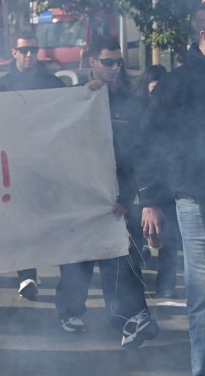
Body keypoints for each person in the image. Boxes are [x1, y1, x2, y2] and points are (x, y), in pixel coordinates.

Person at [136, 0, 205, 376]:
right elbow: (148, 142)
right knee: (203, 294)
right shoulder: (175, 83)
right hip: (193, 200)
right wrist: (150, 200)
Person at [54, 37, 158, 348]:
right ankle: (70, 312)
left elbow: (139, 153)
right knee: (77, 259)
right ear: (92, 62)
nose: (115, 68)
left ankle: (130, 320)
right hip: (78, 197)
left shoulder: (129, 101)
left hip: (116, 199)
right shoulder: (71, 99)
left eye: (119, 62)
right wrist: (83, 100)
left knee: (122, 259)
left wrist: (131, 197)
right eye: (108, 62)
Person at [0, 32, 64, 300]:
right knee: (21, 219)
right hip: (16, 163)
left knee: (48, 220)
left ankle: (61, 274)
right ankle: (27, 274)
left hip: (48, 162)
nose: (29, 55)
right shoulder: (2, 85)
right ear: (14, 53)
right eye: (24, 50)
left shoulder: (53, 83)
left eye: (33, 50)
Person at [132, 64, 179, 298]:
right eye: (153, 90)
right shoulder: (136, 110)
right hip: (139, 181)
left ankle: (166, 285)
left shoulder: (170, 110)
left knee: (170, 237)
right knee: (137, 235)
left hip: (166, 179)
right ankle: (135, 284)